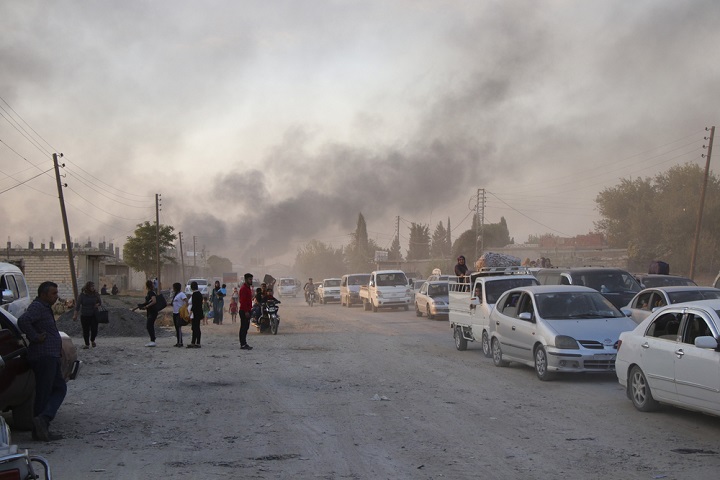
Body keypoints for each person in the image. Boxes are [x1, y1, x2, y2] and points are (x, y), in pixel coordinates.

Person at [17, 281, 66, 442]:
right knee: (51, 390)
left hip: (49, 355)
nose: (56, 296)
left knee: (53, 389)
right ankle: (43, 420)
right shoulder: (37, 307)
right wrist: (35, 337)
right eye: (53, 293)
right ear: (43, 294)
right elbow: (23, 321)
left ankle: (40, 428)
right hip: (43, 355)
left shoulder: (44, 308)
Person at [72, 281, 101, 349]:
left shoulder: (96, 294)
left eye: (93, 286)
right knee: (86, 330)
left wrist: (97, 305)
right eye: (91, 286)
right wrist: (75, 315)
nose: (93, 288)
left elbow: (100, 302)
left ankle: (92, 340)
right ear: (87, 287)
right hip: (85, 315)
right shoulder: (82, 295)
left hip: (94, 314)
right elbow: (78, 306)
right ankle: (87, 344)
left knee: (94, 329)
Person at [137, 280, 158, 347]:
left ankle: (153, 341)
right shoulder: (150, 293)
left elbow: (154, 301)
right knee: (149, 325)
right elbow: (147, 302)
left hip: (153, 311)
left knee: (149, 325)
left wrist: (147, 306)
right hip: (150, 311)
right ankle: (152, 340)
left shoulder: (151, 293)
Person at [238, 273, 254, 350]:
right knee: (243, 328)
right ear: (246, 279)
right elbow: (243, 301)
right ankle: (243, 344)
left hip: (247, 310)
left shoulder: (248, 288)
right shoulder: (244, 288)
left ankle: (244, 343)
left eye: (251, 279)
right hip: (244, 311)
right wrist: (246, 311)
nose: (251, 281)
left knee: (246, 327)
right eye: (250, 279)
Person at [188, 281, 204, 348]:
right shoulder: (199, 294)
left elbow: (194, 305)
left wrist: (190, 313)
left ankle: (197, 343)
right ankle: (194, 342)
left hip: (195, 314)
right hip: (199, 313)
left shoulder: (195, 294)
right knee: (195, 328)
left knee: (196, 328)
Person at [171, 282, 187, 347]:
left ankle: (180, 342)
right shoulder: (176, 295)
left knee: (178, 328)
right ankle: (178, 341)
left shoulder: (182, 294)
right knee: (176, 328)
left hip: (179, 313)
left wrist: (184, 309)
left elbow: (186, 301)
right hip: (175, 313)